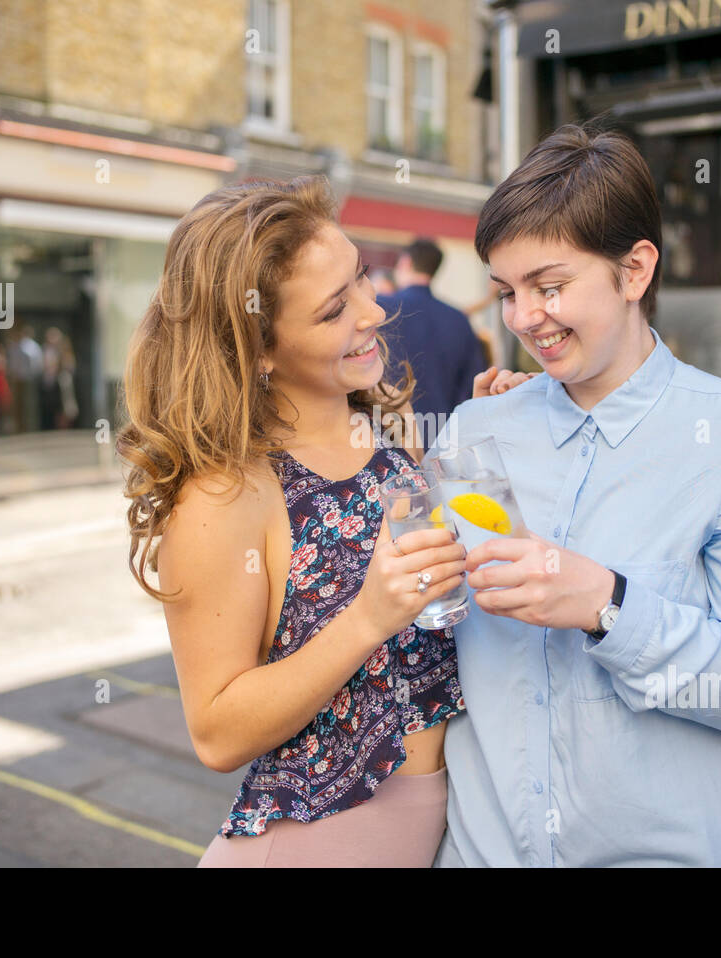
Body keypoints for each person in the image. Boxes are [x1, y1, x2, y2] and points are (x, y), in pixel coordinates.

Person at [423, 123, 721, 867]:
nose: (523, 318)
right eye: (507, 292)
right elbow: (432, 623)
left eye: (550, 286)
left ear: (634, 270)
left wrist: (610, 606)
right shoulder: (476, 427)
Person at [116, 176, 477, 867]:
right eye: (334, 309)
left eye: (363, 280)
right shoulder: (225, 496)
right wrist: (369, 617)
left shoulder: (377, 427)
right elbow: (217, 733)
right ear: (258, 351)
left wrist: (503, 419)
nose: (373, 313)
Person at [377, 238, 489, 448]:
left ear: (405, 262)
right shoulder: (459, 320)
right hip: (441, 439)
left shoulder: (380, 309)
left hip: (382, 435)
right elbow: (471, 389)